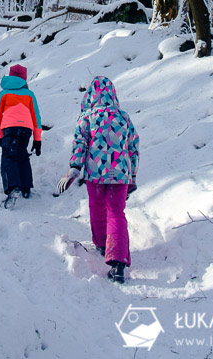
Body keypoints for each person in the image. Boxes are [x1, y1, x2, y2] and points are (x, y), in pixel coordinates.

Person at [57, 76, 139, 283]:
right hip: (120, 175)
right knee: (116, 213)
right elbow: (133, 147)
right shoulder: (123, 117)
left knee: (97, 208)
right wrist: (133, 176)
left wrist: (75, 167)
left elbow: (79, 144)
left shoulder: (87, 117)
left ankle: (102, 244)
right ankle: (118, 261)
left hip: (95, 174)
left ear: (91, 95)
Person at [0, 63, 42, 200]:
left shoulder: (4, 93)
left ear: (10, 76)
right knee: (22, 155)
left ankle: (13, 187)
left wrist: (0, 135)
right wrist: (37, 139)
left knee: (8, 157)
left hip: (9, 128)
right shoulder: (30, 94)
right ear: (24, 79)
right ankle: (26, 188)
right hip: (26, 129)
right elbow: (36, 117)